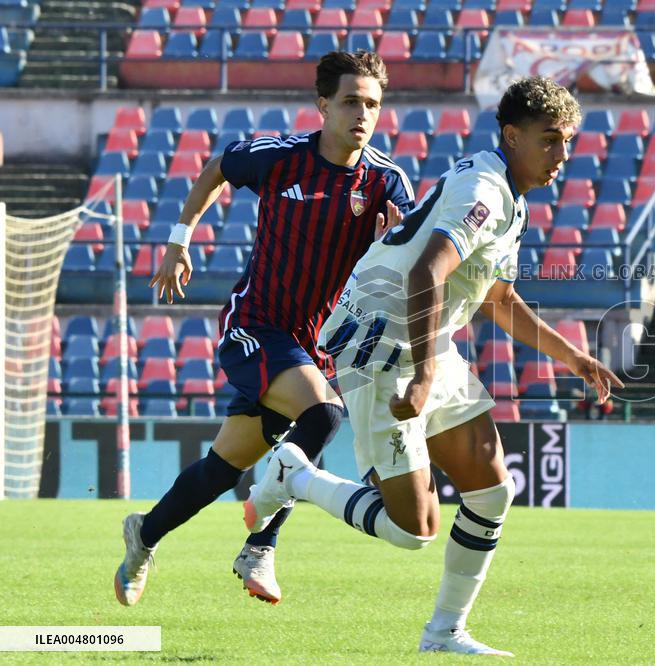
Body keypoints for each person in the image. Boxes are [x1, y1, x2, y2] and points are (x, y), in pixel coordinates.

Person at [243, 76, 624, 655]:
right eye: (550, 140)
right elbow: (427, 272)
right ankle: (292, 474)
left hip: (424, 336)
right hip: (380, 341)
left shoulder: (509, 196)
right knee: (413, 530)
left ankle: (445, 632)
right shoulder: (486, 190)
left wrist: (572, 356)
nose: (562, 155)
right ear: (512, 136)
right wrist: (422, 375)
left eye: (567, 141)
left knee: (493, 491)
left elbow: (496, 298)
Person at [114, 50, 414, 607]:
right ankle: (261, 545)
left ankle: (143, 535)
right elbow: (215, 172)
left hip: (315, 346)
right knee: (324, 413)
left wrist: (389, 249)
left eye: (373, 104)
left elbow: (406, 263)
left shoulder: (388, 183)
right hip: (254, 325)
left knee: (220, 469)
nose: (363, 114)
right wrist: (180, 240)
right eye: (351, 101)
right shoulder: (279, 158)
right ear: (323, 105)